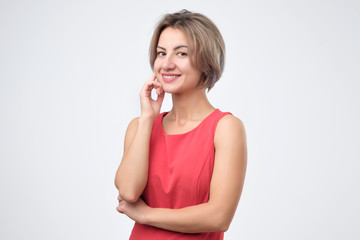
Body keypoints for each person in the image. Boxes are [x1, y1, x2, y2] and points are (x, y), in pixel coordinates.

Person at [114, 9, 247, 239]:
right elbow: (128, 192)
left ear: (206, 62)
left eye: (181, 54)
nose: (166, 64)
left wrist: (146, 215)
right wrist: (147, 119)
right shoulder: (139, 126)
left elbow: (219, 217)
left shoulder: (225, 128)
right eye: (161, 53)